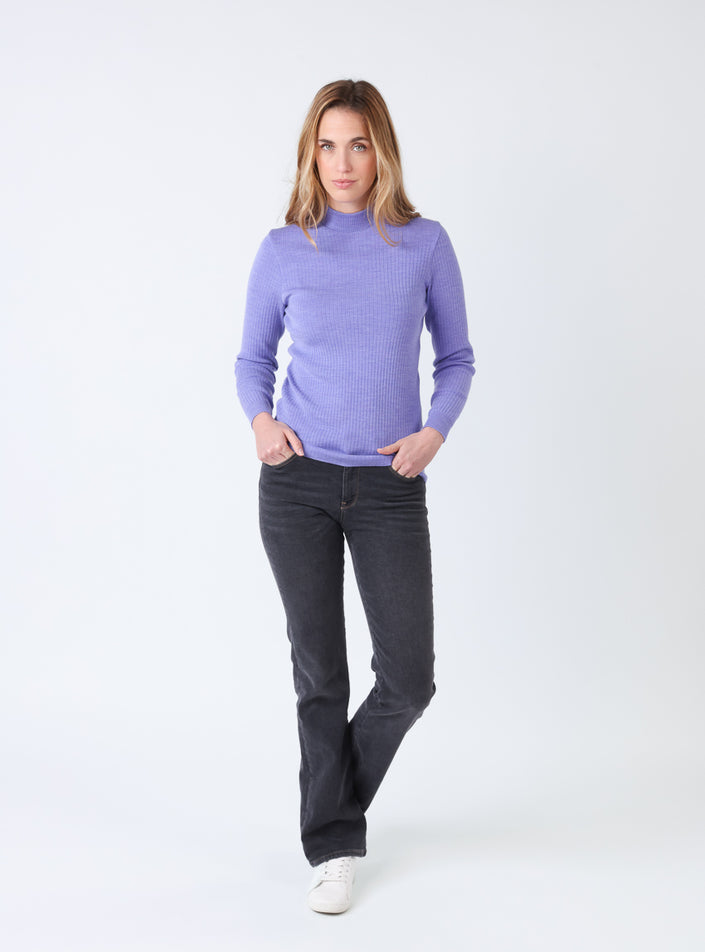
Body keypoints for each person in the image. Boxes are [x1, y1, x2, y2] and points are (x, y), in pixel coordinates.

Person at [234, 78, 476, 914]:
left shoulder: (423, 244)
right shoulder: (283, 248)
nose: (342, 163)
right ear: (311, 153)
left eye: (359, 145)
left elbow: (456, 359)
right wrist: (260, 422)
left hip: (388, 486)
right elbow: (251, 358)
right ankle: (333, 846)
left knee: (408, 679)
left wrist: (433, 432)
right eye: (328, 145)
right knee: (320, 676)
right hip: (295, 484)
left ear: (382, 153)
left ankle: (329, 812)